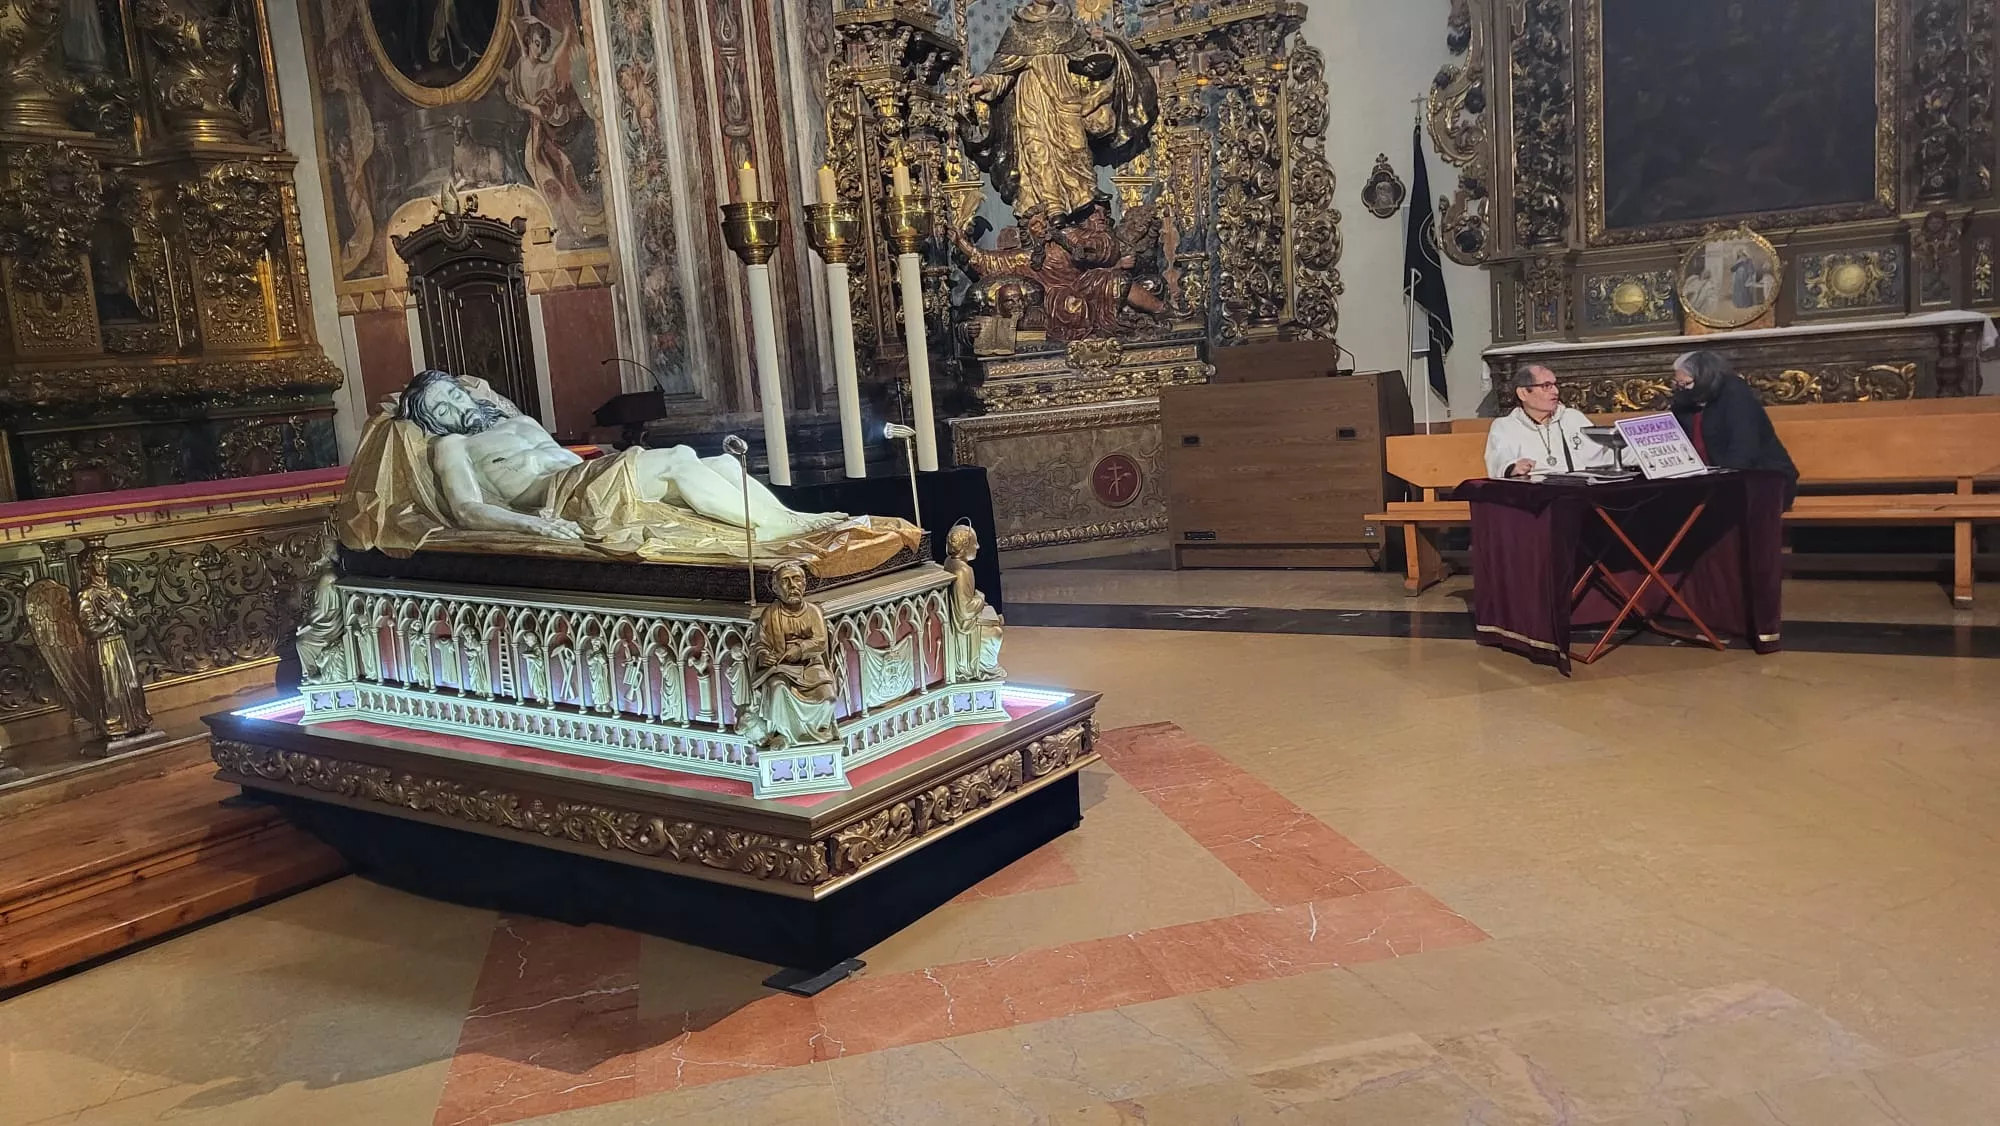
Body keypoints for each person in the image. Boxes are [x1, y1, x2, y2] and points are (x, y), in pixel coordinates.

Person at [1671, 350, 1798, 505]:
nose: (1682, 389)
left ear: (1705, 378)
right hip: (1710, 483)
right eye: (1678, 385)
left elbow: (1744, 446)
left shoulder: (1734, 393)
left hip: (1763, 480)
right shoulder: (1684, 400)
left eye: (1687, 384)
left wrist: (1725, 483)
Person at [1484, 365, 1614, 478]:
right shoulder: (1506, 426)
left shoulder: (1572, 417)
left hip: (1580, 492)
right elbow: (1499, 462)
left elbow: (1603, 453)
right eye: (1546, 386)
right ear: (1523, 393)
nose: (1556, 391)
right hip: (1536, 498)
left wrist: (1632, 447)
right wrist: (1512, 468)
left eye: (1554, 385)